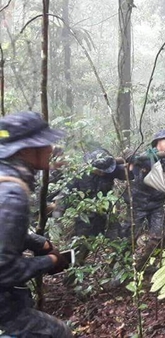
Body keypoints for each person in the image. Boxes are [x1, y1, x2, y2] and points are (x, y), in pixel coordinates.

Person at [0, 111, 72, 337]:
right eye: (45, 144)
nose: (50, 149)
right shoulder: (12, 194)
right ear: (26, 150)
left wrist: (38, 242)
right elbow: (3, 271)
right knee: (56, 333)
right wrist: (49, 261)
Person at [124, 129, 165, 270]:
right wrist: (131, 158)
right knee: (128, 238)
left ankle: (142, 265)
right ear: (158, 142)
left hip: (157, 204)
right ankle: (121, 269)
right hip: (138, 204)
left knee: (159, 236)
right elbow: (131, 169)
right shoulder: (146, 156)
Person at [53, 148, 128, 263]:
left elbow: (128, 173)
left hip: (106, 215)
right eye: (100, 170)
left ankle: (118, 268)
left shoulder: (110, 171)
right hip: (86, 219)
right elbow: (63, 197)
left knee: (117, 242)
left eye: (105, 170)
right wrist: (57, 221)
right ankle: (72, 274)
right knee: (80, 249)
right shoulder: (79, 176)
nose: (103, 173)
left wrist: (132, 160)